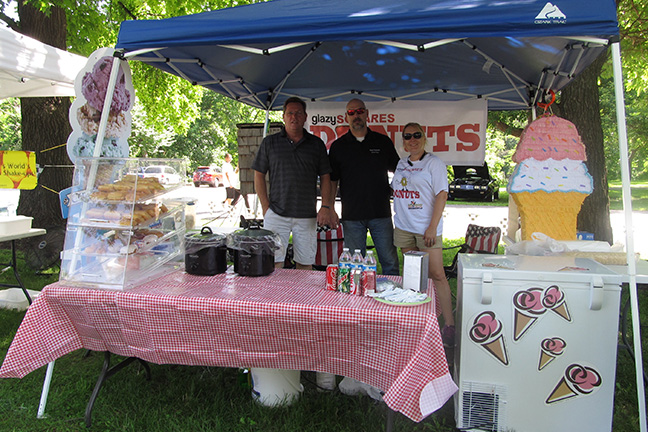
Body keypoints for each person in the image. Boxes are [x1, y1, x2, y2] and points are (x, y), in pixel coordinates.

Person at [391, 122, 455, 346]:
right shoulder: (401, 163)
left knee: (436, 275)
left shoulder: (434, 163)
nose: (412, 140)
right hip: (404, 228)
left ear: (424, 137)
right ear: (403, 141)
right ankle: (417, 323)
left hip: (427, 229)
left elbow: (442, 195)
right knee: (413, 277)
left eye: (416, 135)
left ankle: (448, 325)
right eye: (407, 136)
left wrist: (432, 226)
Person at [251, 96, 334, 270]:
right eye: (290, 113)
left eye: (298, 113)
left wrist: (326, 206)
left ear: (305, 117)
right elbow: (258, 174)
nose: (293, 117)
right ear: (283, 117)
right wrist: (265, 206)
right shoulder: (270, 143)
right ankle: (273, 297)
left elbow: (326, 176)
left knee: (305, 263)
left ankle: (302, 297)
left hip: (306, 215)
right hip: (276, 213)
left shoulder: (316, 144)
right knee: (273, 263)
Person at [326, 98, 400, 275]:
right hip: (352, 216)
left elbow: (400, 170)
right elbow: (332, 180)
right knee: (354, 266)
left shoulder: (383, 142)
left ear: (367, 114)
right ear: (346, 116)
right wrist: (329, 209)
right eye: (351, 112)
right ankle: (356, 300)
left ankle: (393, 298)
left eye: (359, 111)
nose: (356, 115)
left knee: (389, 262)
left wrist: (394, 188)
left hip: (381, 213)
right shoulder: (338, 147)